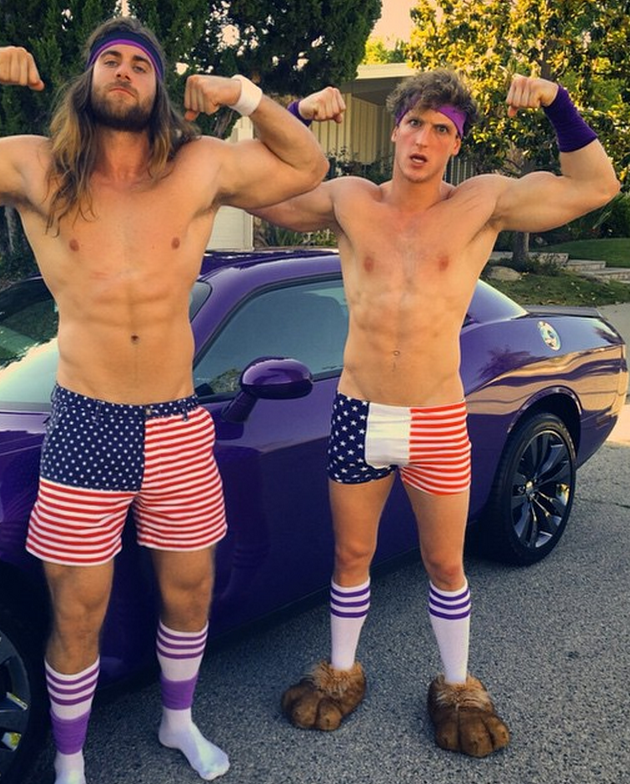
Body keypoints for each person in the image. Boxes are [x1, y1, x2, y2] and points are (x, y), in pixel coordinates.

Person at [0, 15, 327, 784]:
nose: (124, 71)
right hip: (87, 423)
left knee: (190, 589)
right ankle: (72, 760)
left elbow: (306, 163)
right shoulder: (37, 167)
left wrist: (242, 93)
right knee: (78, 610)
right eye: (110, 60)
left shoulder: (198, 166)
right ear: (87, 80)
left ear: (158, 88)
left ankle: (177, 722)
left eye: (140, 64)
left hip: (177, 424)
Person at [254, 69, 619, 757]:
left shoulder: (482, 202)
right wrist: (293, 114)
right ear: (396, 129)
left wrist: (557, 102)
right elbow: (257, 189)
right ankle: (340, 670)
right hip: (359, 414)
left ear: (455, 143)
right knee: (351, 554)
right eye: (415, 122)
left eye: (442, 128)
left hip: (436, 417)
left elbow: (596, 186)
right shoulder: (348, 198)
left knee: (445, 563)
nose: (424, 137)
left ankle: (456, 683)